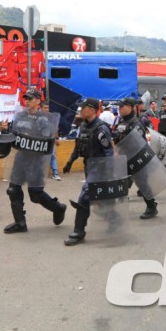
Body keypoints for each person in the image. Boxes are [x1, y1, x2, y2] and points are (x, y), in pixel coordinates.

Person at [2, 88, 67, 234]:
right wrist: (6, 130)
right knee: (13, 190)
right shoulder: (20, 116)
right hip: (21, 158)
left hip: (36, 160)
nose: (27, 101)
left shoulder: (44, 119)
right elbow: (13, 135)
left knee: (35, 194)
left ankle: (58, 208)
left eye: (31, 99)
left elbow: (47, 138)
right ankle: (20, 223)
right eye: (26, 98)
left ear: (38, 101)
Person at [63, 98, 114, 246]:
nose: (80, 110)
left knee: (84, 198)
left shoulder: (101, 128)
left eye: (82, 108)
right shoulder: (84, 126)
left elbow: (108, 152)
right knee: (99, 199)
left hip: (100, 168)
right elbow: (78, 146)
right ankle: (114, 220)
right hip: (88, 166)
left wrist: (110, 172)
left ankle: (78, 232)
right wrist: (69, 162)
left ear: (91, 110)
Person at [113, 97, 158, 219]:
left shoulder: (136, 122)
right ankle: (117, 210)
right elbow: (117, 138)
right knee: (119, 182)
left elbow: (135, 141)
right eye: (119, 106)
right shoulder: (121, 122)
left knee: (142, 183)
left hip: (136, 157)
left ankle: (151, 207)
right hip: (123, 157)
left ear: (130, 107)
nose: (120, 108)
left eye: (122, 106)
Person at [41, 101, 61, 181]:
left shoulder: (52, 117)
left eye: (47, 108)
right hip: (41, 140)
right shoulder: (38, 117)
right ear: (41, 108)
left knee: (52, 156)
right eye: (44, 108)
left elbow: (55, 128)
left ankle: (55, 173)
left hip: (50, 140)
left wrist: (56, 138)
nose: (46, 109)